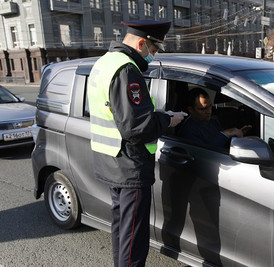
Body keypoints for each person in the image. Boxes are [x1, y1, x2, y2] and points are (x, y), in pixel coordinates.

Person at [87, 20, 185, 267]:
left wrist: (153, 113)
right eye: (153, 50)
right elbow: (136, 128)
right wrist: (168, 120)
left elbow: (119, 113)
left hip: (112, 161)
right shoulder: (126, 69)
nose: (152, 56)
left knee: (122, 230)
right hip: (130, 165)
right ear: (142, 43)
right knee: (134, 238)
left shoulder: (105, 62)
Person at [178, 87, 251, 148]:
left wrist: (236, 135)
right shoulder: (188, 131)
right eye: (203, 109)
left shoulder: (213, 121)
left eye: (210, 106)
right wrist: (226, 133)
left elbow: (222, 144)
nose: (209, 111)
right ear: (191, 110)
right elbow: (206, 155)